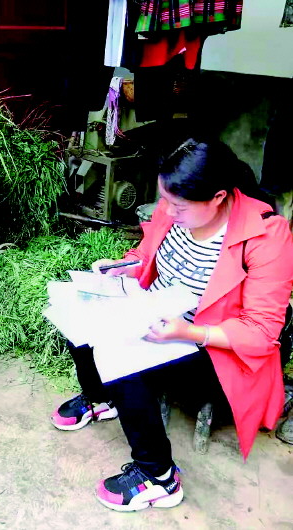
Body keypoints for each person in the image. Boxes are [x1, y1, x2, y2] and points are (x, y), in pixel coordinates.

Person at [50, 138, 293, 511]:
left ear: (218, 197)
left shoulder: (266, 237)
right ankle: (102, 400)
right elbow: (146, 254)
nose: (166, 210)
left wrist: (187, 332)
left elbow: (261, 333)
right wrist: (124, 268)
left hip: (213, 347)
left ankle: (159, 477)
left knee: (122, 362)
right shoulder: (174, 208)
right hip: (157, 315)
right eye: (164, 199)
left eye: (177, 205)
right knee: (78, 319)